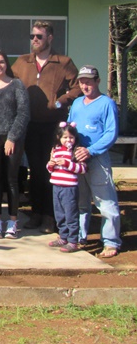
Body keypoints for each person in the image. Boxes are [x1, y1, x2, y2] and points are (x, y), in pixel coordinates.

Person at [12, 20, 80, 233]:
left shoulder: (64, 62)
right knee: (35, 171)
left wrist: (61, 101)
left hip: (53, 127)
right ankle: (36, 212)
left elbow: (78, 86)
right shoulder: (23, 62)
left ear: (49, 38)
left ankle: (51, 216)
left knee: (52, 169)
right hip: (30, 125)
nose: (34, 40)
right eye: (32, 36)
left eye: (39, 36)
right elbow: (9, 82)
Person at [68, 65, 122, 258]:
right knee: (81, 203)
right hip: (77, 160)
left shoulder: (106, 103)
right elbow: (69, 128)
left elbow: (111, 134)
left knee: (105, 202)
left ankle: (110, 242)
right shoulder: (77, 103)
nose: (85, 85)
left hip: (97, 159)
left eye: (89, 81)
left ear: (98, 81)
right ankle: (80, 238)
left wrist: (90, 150)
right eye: (82, 81)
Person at [0, 49, 30, 239]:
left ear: (6, 64)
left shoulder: (17, 85)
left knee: (11, 180)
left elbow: (24, 113)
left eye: (1, 62)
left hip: (12, 141)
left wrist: (12, 137)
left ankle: (12, 221)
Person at [46, 122, 86, 253]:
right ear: (59, 137)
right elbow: (50, 169)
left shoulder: (76, 151)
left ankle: (73, 241)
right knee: (59, 214)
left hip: (70, 188)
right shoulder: (56, 150)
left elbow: (82, 169)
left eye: (71, 137)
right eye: (65, 137)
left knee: (71, 215)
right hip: (56, 186)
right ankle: (63, 237)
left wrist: (68, 164)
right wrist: (50, 164)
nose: (68, 140)